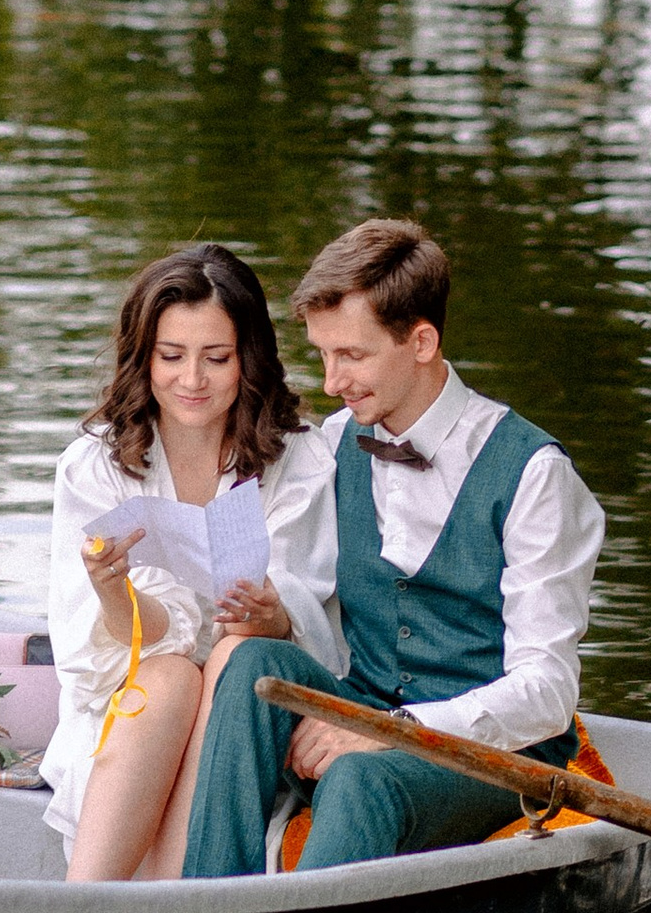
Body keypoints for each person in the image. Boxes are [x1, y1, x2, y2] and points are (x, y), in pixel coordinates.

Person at [180, 215, 603, 877]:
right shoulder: (332, 444)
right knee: (254, 665)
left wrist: (391, 730)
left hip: (495, 759)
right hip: (365, 712)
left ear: (421, 342)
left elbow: (547, 693)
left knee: (359, 777)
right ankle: (209, 906)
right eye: (323, 354)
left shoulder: (535, 475)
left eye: (351, 356)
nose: (331, 382)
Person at [43, 243, 340, 878]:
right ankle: (84, 903)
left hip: (249, 708)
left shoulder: (298, 458)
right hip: (138, 706)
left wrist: (272, 615)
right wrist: (115, 591)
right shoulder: (95, 465)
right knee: (170, 677)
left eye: (217, 358)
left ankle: (180, 896)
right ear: (144, 357)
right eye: (171, 356)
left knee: (233, 657)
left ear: (249, 357)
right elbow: (93, 662)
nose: (193, 380)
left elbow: (316, 620)